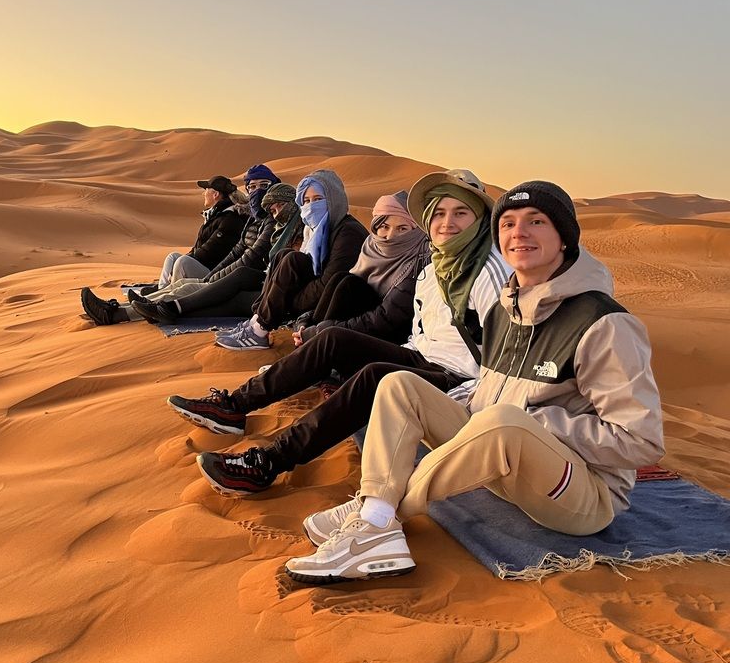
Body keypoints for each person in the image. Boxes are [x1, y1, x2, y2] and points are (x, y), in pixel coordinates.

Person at [284, 180, 665, 585]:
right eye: (509, 223)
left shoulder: (604, 324)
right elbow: (493, 393)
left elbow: (641, 440)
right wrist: (481, 408)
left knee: (505, 420)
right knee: (400, 387)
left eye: (536, 221)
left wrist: (537, 423)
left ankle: (378, 516)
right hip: (505, 467)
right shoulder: (504, 311)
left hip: (581, 495)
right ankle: (376, 506)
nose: (519, 232)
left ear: (564, 239)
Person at [171, 169, 510, 495]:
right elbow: (420, 334)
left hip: (463, 382)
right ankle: (235, 405)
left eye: (460, 212)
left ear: (481, 218)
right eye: (438, 213)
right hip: (423, 356)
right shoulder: (434, 268)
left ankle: (268, 463)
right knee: (333, 340)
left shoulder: (491, 273)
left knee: (375, 376)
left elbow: (505, 365)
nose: (447, 223)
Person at [213, 169, 369, 350]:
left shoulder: (348, 232)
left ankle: (259, 329)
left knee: (287, 262)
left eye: (318, 199)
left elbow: (329, 283)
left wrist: (289, 301)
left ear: (335, 199)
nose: (311, 206)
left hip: (340, 302)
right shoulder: (314, 230)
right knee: (286, 256)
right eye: (306, 201)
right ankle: (257, 323)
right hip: (316, 294)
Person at [80, 174, 246, 325]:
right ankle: (134, 303)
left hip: (217, 272)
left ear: (215, 194)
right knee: (175, 260)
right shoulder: (216, 215)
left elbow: (212, 252)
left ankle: (123, 312)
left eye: (206, 190)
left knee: (183, 270)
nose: (203, 193)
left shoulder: (229, 219)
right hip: (220, 274)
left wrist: (197, 264)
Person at [129, 181, 305, 323]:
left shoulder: (233, 219)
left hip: (272, 291)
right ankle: (142, 307)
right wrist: (214, 277)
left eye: (262, 185)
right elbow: (235, 253)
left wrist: (214, 278)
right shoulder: (265, 225)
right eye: (251, 186)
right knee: (185, 280)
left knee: (191, 279)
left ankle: (160, 307)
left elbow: (247, 257)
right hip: (251, 281)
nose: (276, 214)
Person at [292, 191, 429, 347]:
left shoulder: (419, 261)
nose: (390, 236)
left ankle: (315, 349)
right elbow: (339, 294)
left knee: (349, 284)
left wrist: (320, 331)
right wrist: (308, 321)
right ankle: (311, 346)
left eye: (402, 228)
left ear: (416, 231)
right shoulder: (371, 247)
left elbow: (384, 319)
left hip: (390, 335)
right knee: (344, 280)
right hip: (362, 324)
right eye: (384, 226)